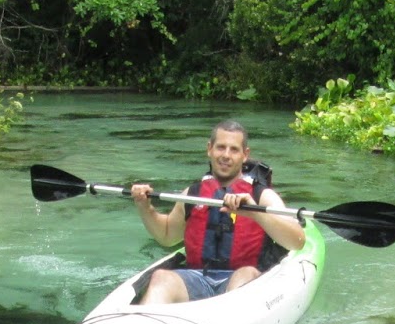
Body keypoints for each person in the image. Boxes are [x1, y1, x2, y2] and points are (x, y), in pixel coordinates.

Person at [128, 120, 306, 304]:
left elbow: (297, 241)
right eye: (221, 147)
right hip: (196, 278)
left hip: (244, 278)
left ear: (245, 155)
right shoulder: (193, 194)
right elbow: (166, 236)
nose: (226, 155)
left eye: (234, 149)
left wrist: (255, 213)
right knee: (161, 278)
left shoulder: (262, 196)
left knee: (245, 275)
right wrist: (144, 206)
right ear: (209, 149)